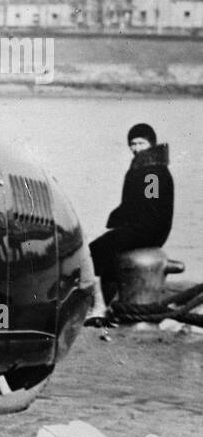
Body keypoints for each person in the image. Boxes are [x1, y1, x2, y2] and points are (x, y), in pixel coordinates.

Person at [87, 122, 174, 317]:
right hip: (145, 228)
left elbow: (150, 205)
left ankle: (102, 307)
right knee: (105, 251)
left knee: (97, 250)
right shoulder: (148, 165)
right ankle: (109, 305)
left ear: (151, 144)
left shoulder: (152, 172)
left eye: (141, 143)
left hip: (148, 230)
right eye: (132, 144)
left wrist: (120, 223)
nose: (136, 148)